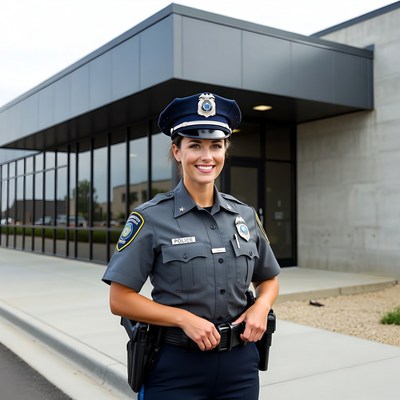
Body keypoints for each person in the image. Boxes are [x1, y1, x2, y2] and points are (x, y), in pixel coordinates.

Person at [102, 92, 280, 399]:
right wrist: (184, 319)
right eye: (195, 145)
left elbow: (269, 278)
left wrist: (261, 307)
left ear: (225, 150)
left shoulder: (245, 215)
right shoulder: (150, 218)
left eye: (216, 146)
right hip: (176, 369)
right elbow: (120, 299)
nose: (207, 156)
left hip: (241, 366)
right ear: (177, 151)